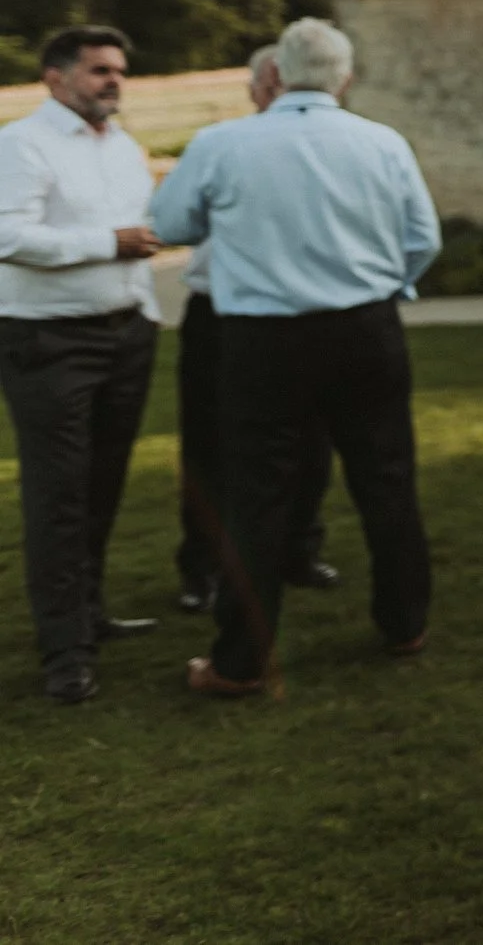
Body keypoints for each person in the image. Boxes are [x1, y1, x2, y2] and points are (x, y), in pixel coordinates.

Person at [152, 18, 442, 695]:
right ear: (345, 76)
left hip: (264, 340)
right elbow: (422, 237)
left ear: (276, 72)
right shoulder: (382, 142)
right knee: (387, 479)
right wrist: (388, 283)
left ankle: (242, 661)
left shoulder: (223, 143)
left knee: (258, 494)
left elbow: (168, 224)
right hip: (367, 332)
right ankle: (405, 624)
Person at [0, 26, 164, 705]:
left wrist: (145, 306)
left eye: (119, 70)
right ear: (56, 77)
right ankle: (65, 652)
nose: (114, 80)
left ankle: (91, 615)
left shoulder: (123, 147)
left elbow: (141, 236)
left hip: (127, 336)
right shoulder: (21, 143)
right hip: (49, 343)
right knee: (59, 494)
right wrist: (109, 242)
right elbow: (6, 233)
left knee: (102, 485)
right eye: (99, 70)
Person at [174, 44, 336, 614]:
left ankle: (299, 549)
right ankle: (204, 566)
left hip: (303, 315)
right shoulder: (223, 147)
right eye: (266, 80)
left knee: (311, 440)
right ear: (254, 89)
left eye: (282, 77)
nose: (276, 87)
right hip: (221, 313)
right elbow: (173, 220)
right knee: (212, 444)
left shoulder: (321, 147)